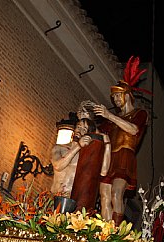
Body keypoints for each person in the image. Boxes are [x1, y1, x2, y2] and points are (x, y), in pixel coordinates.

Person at [94, 56, 150, 225]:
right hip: (109, 158)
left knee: (116, 194)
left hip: (125, 155)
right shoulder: (111, 121)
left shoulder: (140, 114)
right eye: (114, 98)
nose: (116, 100)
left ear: (128, 95)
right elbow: (98, 134)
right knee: (103, 195)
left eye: (118, 96)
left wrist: (109, 115)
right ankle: (105, 232)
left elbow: (133, 129)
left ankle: (116, 231)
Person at [69, 101, 109, 213]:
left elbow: (103, 171)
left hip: (79, 196)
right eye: (79, 126)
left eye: (84, 115)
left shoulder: (94, 144)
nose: (80, 117)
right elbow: (59, 165)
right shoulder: (68, 142)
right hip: (62, 193)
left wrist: (108, 145)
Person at [50, 112, 92, 202]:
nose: (79, 131)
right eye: (78, 127)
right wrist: (78, 146)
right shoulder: (59, 147)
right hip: (54, 195)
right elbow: (58, 166)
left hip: (70, 198)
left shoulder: (85, 156)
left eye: (84, 129)